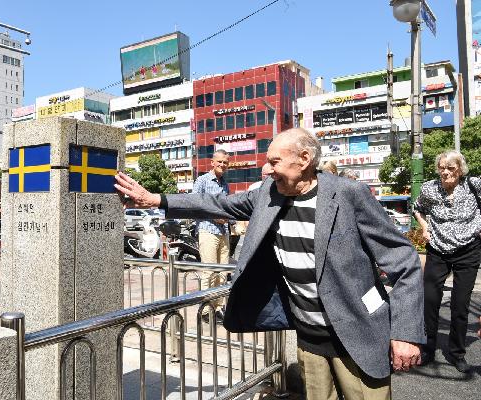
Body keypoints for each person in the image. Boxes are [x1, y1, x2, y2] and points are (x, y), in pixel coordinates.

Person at [115, 128, 424, 400]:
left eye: (275, 161)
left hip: (358, 332)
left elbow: (404, 260)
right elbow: (217, 204)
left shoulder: (348, 194)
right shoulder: (268, 193)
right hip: (310, 340)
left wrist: (406, 334)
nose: (266, 168)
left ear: (304, 159)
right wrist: (157, 200)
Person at [413, 150, 481, 373]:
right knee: (430, 300)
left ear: (460, 169)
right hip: (438, 250)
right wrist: (424, 228)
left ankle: (456, 353)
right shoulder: (430, 189)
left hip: (468, 250)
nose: (445, 171)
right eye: (442, 167)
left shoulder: (473, 185)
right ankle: (428, 348)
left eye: (450, 168)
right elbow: (417, 208)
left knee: (460, 304)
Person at [192, 149, 231, 319]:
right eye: (220, 161)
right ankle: (206, 310)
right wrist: (215, 217)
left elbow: (227, 206)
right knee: (208, 272)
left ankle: (218, 307)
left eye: (225, 162)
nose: (222, 165)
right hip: (207, 230)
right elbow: (193, 205)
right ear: (212, 162)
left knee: (222, 273)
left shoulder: (225, 183)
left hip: (224, 232)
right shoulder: (202, 180)